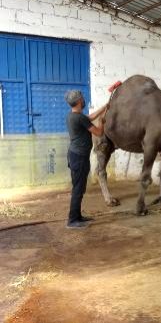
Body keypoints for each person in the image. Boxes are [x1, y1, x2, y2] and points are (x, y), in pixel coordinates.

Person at [64, 90, 107, 229]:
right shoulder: (79, 118)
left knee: (79, 187)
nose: (83, 100)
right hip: (79, 157)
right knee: (78, 188)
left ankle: (77, 217)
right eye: (82, 98)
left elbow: (90, 116)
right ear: (78, 102)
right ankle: (72, 221)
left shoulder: (73, 116)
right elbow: (99, 133)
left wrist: (105, 106)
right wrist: (102, 122)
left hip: (75, 155)